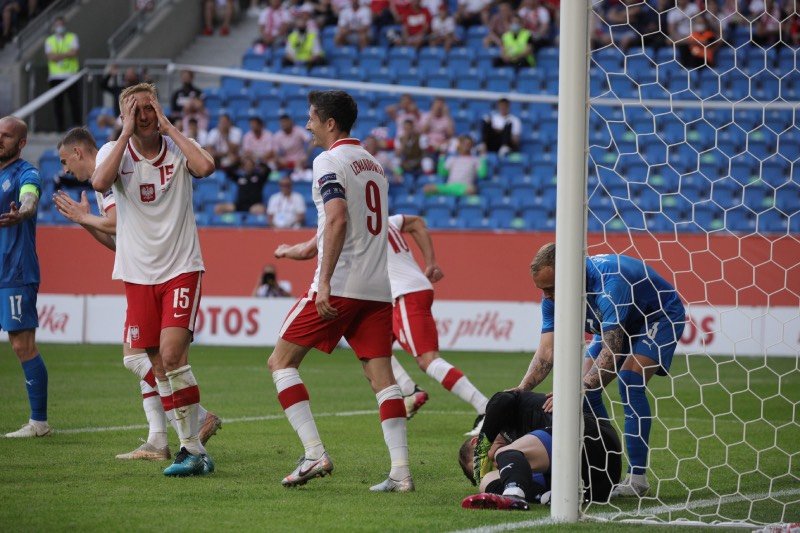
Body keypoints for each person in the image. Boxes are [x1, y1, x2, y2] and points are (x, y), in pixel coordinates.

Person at [266, 90, 413, 492]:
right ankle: (401, 472)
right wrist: (302, 249)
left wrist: (325, 281)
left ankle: (314, 453)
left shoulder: (327, 160)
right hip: (377, 287)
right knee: (382, 379)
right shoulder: (375, 166)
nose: (307, 125)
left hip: (343, 283)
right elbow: (351, 223)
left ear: (330, 123)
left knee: (281, 362)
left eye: (311, 118)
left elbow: (336, 219)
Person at [55, 127, 222, 460]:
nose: (64, 170)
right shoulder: (106, 169)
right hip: (138, 269)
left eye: (64, 160)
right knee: (145, 357)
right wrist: (86, 222)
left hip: (158, 269)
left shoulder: (107, 158)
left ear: (78, 152)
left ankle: (195, 418)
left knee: (138, 357)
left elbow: (116, 224)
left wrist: (84, 216)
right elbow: (119, 242)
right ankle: (160, 439)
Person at [91, 82, 218, 477]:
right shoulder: (114, 152)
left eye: (149, 108)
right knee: (157, 365)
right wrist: (124, 131)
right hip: (137, 272)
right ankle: (188, 447)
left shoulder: (179, 145)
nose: (143, 115)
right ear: (124, 115)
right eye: (135, 110)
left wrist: (168, 125)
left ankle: (191, 449)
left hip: (181, 266)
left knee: (173, 355)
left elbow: (206, 168)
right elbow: (98, 183)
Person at [275, 213, 489, 424]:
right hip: (406, 290)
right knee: (375, 350)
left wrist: (284, 250)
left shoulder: (349, 222)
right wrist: (431, 262)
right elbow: (417, 222)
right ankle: (409, 391)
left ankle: (484, 409)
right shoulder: (385, 220)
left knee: (427, 360)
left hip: (403, 293)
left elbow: (307, 250)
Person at [516, 243, 686, 497]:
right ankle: (606, 466)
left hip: (657, 316)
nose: (548, 296)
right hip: (617, 327)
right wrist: (520, 391)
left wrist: (579, 389)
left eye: (551, 288)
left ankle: (637, 478)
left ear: (570, 272)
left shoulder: (610, 282)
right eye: (542, 290)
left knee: (629, 381)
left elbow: (613, 349)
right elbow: (547, 352)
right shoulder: (551, 297)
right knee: (586, 391)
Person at [458, 389, 622, 510]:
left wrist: (483, 447)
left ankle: (513, 495)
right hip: (597, 484)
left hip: (592, 437)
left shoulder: (505, 414)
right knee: (488, 481)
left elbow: (503, 399)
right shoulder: (522, 458)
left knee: (505, 454)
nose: (497, 465)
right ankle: (544, 496)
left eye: (486, 463)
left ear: (475, 442)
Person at [0, 116, 50, 438]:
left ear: (21, 143)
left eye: (5, 136)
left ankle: (39, 423)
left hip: (15, 270)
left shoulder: (26, 172)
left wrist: (24, 210)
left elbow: (30, 197)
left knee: (22, 345)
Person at [44, 16, 81, 132]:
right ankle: (60, 129)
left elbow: (74, 52)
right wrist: (66, 54)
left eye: (61, 24)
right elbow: (50, 56)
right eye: (57, 25)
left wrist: (58, 56)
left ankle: (78, 127)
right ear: (54, 26)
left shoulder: (72, 37)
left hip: (71, 76)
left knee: (74, 102)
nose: (60, 27)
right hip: (56, 77)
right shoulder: (49, 40)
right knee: (58, 105)